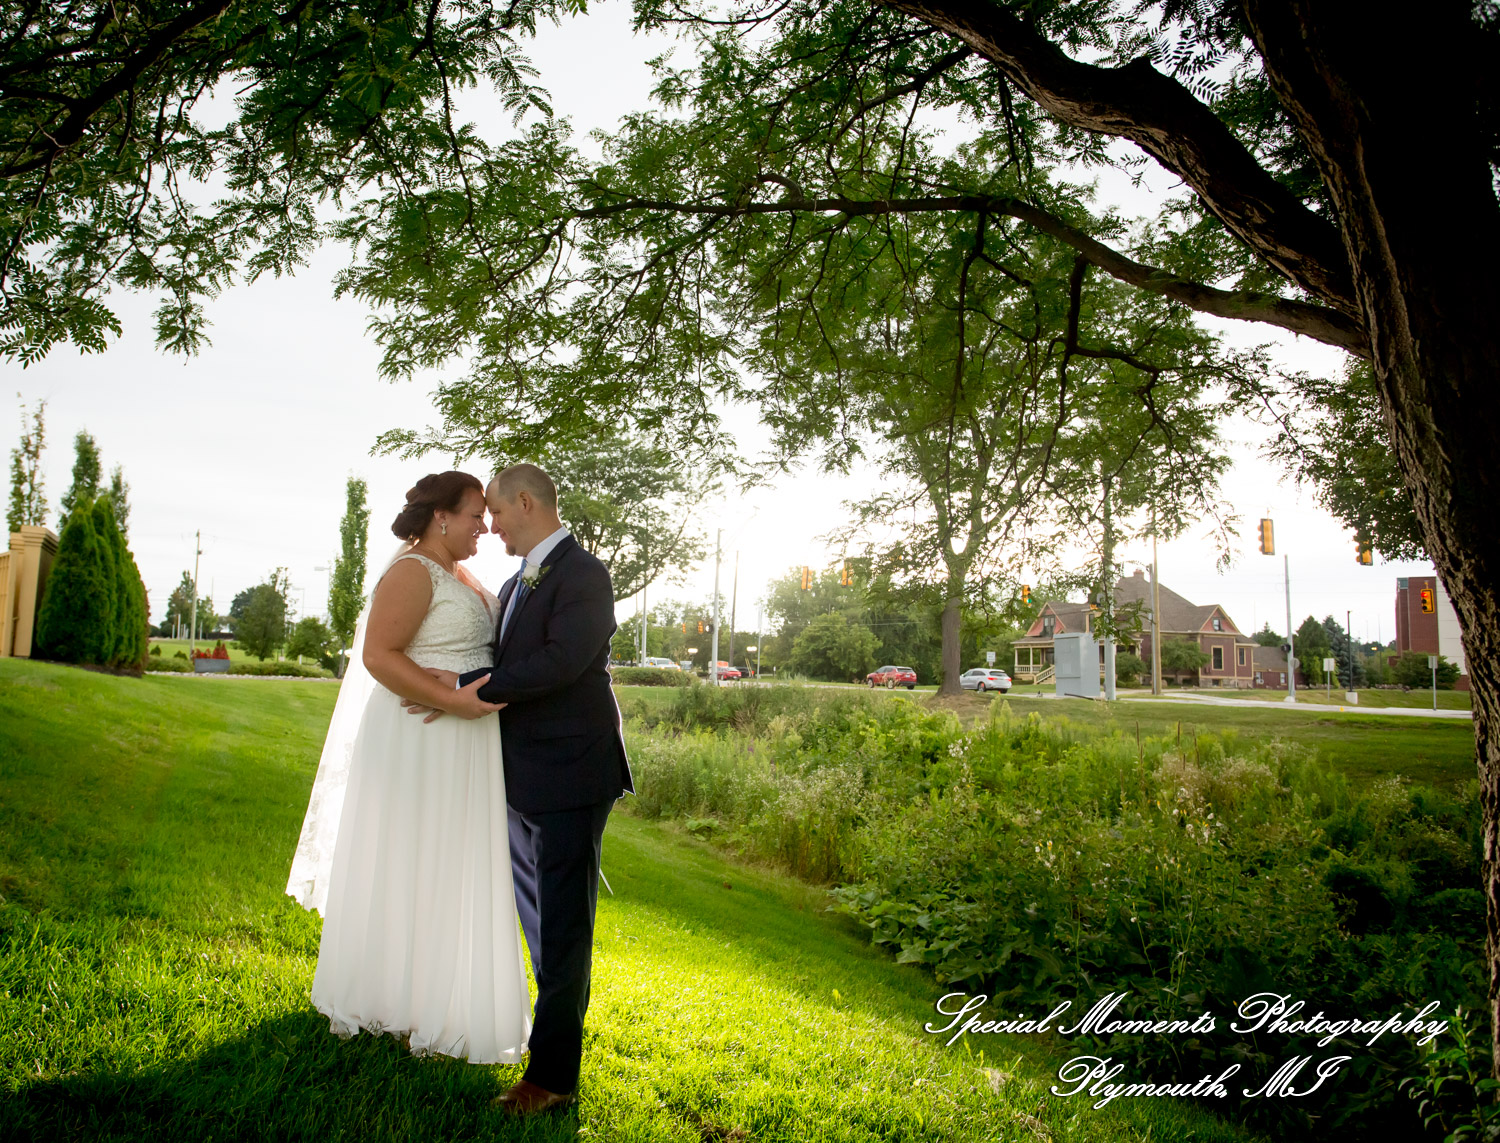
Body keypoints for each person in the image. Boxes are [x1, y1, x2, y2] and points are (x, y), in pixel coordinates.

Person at [286, 471, 530, 1064]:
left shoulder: (465, 575)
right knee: (412, 858)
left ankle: (438, 999)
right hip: (420, 736)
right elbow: (378, 655)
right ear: (441, 516)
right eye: (475, 515)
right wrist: (451, 701)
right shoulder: (412, 571)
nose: (484, 527)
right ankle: (393, 999)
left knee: (452, 862)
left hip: (468, 741)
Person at [412, 463, 634, 1115]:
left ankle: (553, 1077)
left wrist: (469, 690)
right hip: (526, 773)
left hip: (571, 772)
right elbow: (515, 664)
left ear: (527, 503)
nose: (491, 525)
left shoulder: (585, 575)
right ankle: (544, 1049)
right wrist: (451, 681)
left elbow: (563, 661)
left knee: (563, 928)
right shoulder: (519, 581)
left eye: (497, 513)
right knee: (540, 923)